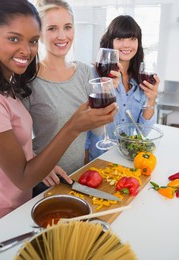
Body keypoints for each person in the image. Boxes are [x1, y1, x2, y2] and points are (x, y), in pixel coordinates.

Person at [0, 0, 118, 225]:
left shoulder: (7, 85)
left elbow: (20, 144)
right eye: (13, 38)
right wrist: (73, 126)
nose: (26, 50)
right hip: (2, 214)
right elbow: (22, 173)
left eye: (32, 41)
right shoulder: (12, 87)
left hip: (34, 198)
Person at [22, 0, 121, 190]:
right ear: (39, 34)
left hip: (79, 175)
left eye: (67, 27)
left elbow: (99, 131)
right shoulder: (28, 79)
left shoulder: (85, 72)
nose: (62, 35)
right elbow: (18, 141)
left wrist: (109, 92)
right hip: (45, 180)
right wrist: (36, 163)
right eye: (52, 28)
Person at [85, 15, 160, 161]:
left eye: (132, 39)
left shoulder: (141, 80)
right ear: (111, 42)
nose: (127, 45)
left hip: (127, 159)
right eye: (120, 39)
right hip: (98, 159)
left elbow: (143, 132)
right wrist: (84, 157)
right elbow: (86, 121)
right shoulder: (94, 74)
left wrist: (151, 100)